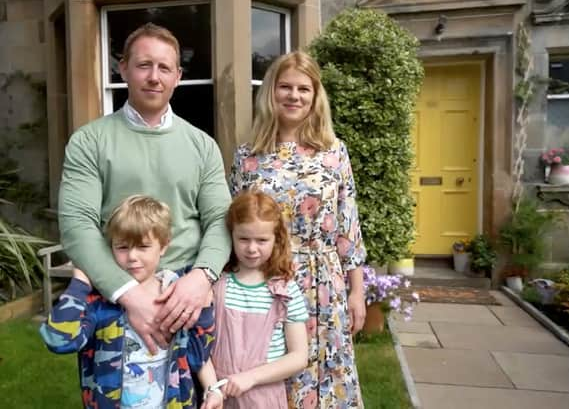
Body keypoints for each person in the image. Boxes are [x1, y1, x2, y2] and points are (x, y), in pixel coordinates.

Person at [57, 23, 231, 354]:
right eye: (144, 65)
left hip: (186, 301)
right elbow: (77, 225)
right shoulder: (89, 141)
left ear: (177, 76)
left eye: (164, 67)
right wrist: (129, 293)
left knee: (190, 401)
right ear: (123, 69)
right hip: (113, 297)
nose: (154, 77)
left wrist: (201, 277)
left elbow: (221, 219)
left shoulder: (202, 146)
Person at [229, 51, 367, 408]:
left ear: (315, 96)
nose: (294, 96)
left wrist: (356, 291)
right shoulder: (248, 156)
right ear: (270, 92)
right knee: (266, 369)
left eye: (304, 89)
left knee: (323, 373)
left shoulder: (334, 152)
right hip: (266, 280)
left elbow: (348, 226)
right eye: (285, 87)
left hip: (323, 283)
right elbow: (233, 224)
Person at [40, 195, 224, 409]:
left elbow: (197, 353)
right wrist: (80, 283)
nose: (132, 257)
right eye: (123, 247)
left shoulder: (176, 294)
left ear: (164, 246)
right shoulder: (99, 302)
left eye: (143, 246)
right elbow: (58, 341)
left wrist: (203, 310)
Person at [212, 190, 308, 408]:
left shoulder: (285, 291)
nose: (252, 248)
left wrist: (251, 377)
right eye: (243, 239)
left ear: (277, 239)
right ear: (231, 235)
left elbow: (299, 356)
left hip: (264, 398)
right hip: (219, 396)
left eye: (262, 240)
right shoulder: (217, 285)